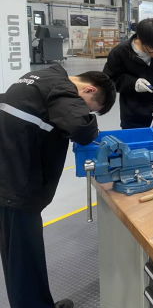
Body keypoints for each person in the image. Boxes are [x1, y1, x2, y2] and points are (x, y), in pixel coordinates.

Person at [0, 65, 116, 308]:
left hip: (10, 173)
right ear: (89, 89)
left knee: (26, 255)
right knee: (22, 260)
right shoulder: (62, 88)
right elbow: (81, 129)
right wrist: (91, 124)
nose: (86, 111)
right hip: (16, 185)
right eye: (89, 108)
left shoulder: (42, 76)